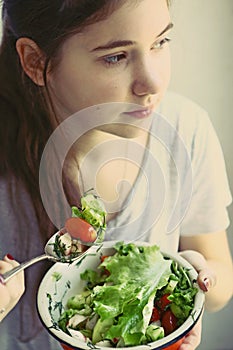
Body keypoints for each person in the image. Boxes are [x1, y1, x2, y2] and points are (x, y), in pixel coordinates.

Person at [0, 0, 232, 349]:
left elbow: (220, 281)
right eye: (115, 57)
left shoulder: (187, 130)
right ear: (35, 61)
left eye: (160, 42)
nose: (152, 84)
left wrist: (195, 280)